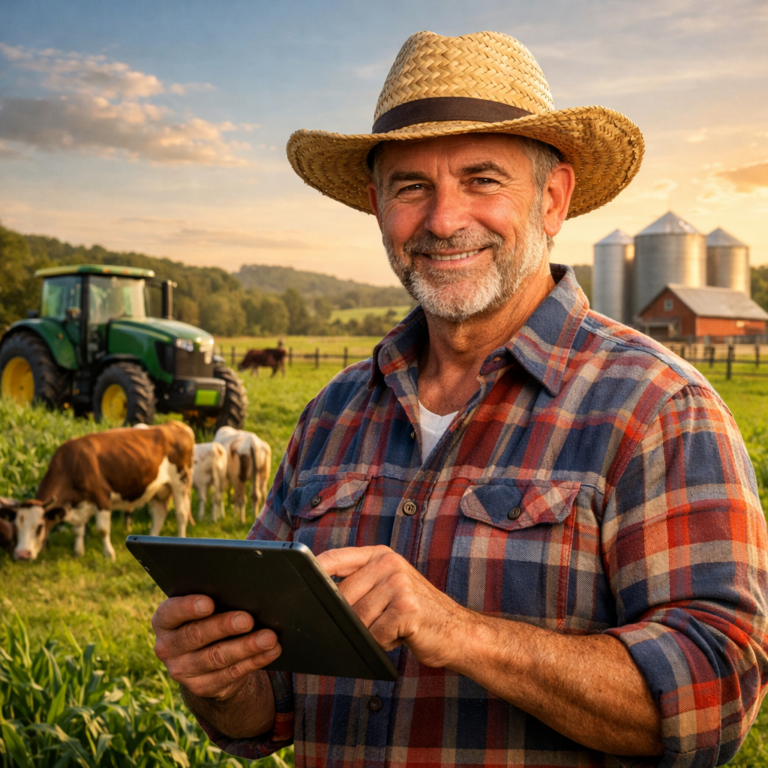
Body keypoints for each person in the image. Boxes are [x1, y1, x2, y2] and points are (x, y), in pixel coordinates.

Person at [151, 31, 768, 767]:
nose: (443, 220)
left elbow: (716, 698)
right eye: (411, 186)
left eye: (482, 180)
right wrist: (219, 681)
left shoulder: (657, 407)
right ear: (378, 206)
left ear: (552, 199)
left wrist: (461, 632)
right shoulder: (332, 415)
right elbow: (274, 704)